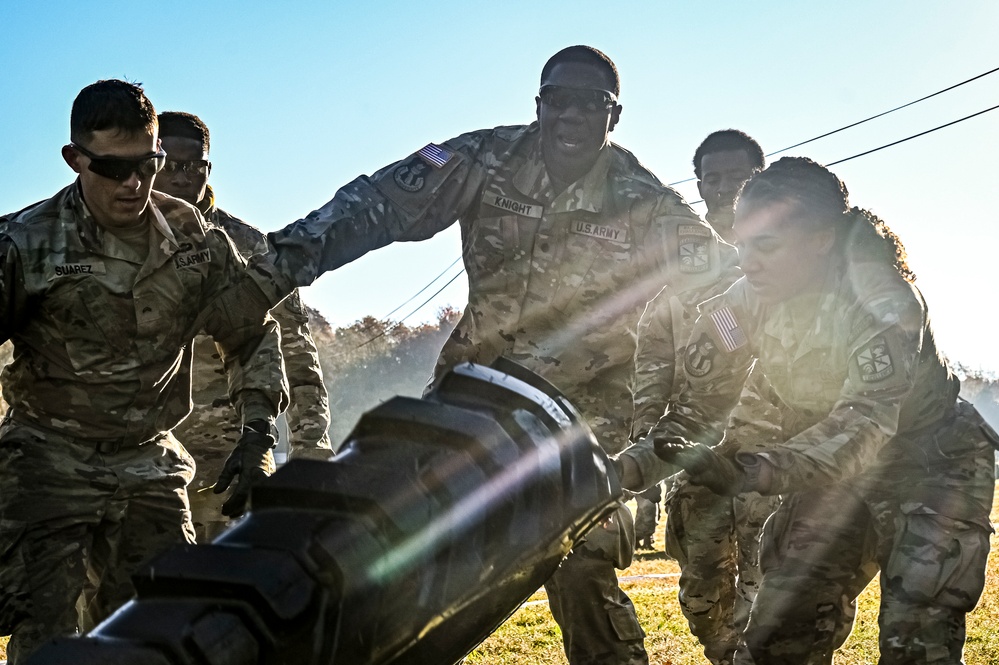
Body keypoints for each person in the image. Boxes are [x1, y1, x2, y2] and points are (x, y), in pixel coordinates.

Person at [222, 45, 733, 665]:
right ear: (538, 105)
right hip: (473, 398)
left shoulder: (650, 207)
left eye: (589, 104)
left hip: (581, 425)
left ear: (613, 116)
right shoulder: (484, 158)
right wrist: (276, 267)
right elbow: (378, 202)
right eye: (557, 100)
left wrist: (677, 432)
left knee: (580, 570)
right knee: (406, 556)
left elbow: (727, 306)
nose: (569, 116)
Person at [619, 156, 997, 664]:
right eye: (743, 244)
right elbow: (695, 412)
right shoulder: (743, 304)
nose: (747, 261)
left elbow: (863, 427)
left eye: (766, 246)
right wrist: (624, 470)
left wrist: (746, 470)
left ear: (820, 241)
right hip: (832, 477)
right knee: (778, 637)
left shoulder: (883, 302)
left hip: (933, 465)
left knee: (916, 641)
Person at [0, 80, 288, 664]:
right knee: (53, 638)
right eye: (113, 167)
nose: (135, 185)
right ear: (75, 159)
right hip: (49, 464)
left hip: (150, 462)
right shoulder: (25, 243)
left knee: (169, 621)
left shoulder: (192, 237)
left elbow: (251, 329)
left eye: (148, 164)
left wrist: (258, 432)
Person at [631, 129, 781, 665]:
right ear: (699, 185)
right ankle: (725, 654)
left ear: (759, 180)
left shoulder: (795, 252)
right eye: (712, 178)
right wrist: (649, 433)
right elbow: (655, 348)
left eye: (738, 177)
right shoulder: (686, 267)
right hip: (701, 452)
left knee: (771, 584)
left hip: (775, 454)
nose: (724, 188)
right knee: (700, 590)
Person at [154, 111, 333, 542]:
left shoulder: (248, 245)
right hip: (150, 454)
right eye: (170, 165)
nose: (183, 177)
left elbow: (297, 354)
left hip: (235, 454)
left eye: (195, 166)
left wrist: (313, 458)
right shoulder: (117, 239)